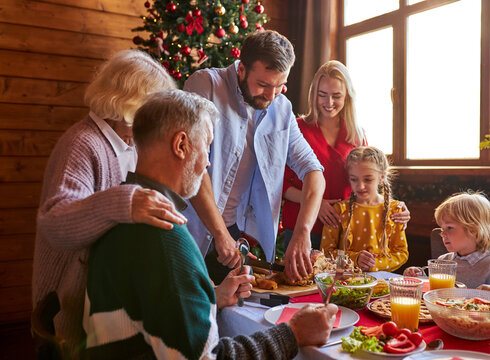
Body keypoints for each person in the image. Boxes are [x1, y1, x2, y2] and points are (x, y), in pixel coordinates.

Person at [83, 89, 339, 359]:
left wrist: (211, 296)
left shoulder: (121, 211)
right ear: (181, 145)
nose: (207, 162)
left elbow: (154, 313)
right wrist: (293, 333)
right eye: (207, 146)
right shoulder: (165, 237)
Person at [32, 49, 187, 356]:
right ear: (127, 104)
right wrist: (125, 201)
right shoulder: (83, 142)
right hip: (68, 305)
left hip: (99, 301)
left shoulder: (129, 143)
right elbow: (55, 221)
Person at [183, 30, 325, 284]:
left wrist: (302, 231)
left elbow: (314, 171)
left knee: (229, 314)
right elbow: (193, 164)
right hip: (188, 229)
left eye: (279, 86)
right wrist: (218, 233)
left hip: (231, 236)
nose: (270, 96)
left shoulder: (281, 108)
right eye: (262, 84)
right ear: (241, 69)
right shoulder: (205, 85)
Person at [282, 60, 410, 251]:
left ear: (347, 97)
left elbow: (368, 180)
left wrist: (393, 209)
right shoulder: (297, 129)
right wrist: (315, 203)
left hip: (347, 228)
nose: (329, 103)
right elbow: (280, 184)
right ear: (314, 95)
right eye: (322, 95)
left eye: (337, 96)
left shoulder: (357, 135)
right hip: (303, 226)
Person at [404, 192, 490, 295]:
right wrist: (419, 277)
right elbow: (434, 292)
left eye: (449, 227)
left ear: (473, 229)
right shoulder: (444, 261)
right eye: (442, 228)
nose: (442, 234)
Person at [320, 146, 409, 272]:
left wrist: (375, 264)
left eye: (368, 179)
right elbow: (326, 253)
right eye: (354, 179)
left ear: (381, 177)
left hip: (381, 282)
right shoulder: (339, 210)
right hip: (345, 282)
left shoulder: (394, 210)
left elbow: (401, 253)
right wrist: (354, 259)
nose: (360, 186)